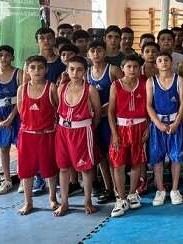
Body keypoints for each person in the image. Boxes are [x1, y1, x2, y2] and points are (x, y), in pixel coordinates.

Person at [54, 56, 101, 216]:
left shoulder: (90, 90)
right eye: (72, 69)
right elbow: (58, 109)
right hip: (63, 131)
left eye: (79, 69)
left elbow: (97, 114)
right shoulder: (61, 88)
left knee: (85, 169)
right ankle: (64, 203)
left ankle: (87, 201)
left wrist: (87, 127)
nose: (75, 73)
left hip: (82, 131)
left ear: (85, 71)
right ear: (67, 70)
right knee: (63, 167)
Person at [17, 56, 59, 215]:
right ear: (27, 70)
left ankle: (52, 198)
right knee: (26, 170)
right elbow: (21, 111)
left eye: (40, 67)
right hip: (27, 136)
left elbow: (58, 109)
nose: (37, 71)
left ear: (46, 69)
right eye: (32, 67)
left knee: (50, 168)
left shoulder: (51, 87)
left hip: (47, 135)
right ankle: (28, 202)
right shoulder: (22, 89)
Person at [108, 55, 147, 218]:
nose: (132, 70)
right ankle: (121, 198)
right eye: (128, 66)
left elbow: (150, 107)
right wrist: (114, 133)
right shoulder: (116, 85)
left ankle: (132, 194)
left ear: (139, 69)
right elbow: (110, 111)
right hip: (121, 128)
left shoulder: (144, 84)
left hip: (140, 126)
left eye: (135, 67)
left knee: (136, 162)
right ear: (122, 68)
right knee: (118, 164)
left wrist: (148, 127)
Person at [146, 52, 183, 206]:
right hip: (158, 125)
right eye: (160, 60)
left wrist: (176, 122)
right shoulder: (151, 81)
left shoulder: (179, 80)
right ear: (156, 64)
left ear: (171, 62)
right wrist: (157, 123)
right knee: (157, 158)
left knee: (176, 157)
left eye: (166, 60)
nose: (163, 63)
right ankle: (160, 190)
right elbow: (149, 105)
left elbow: (182, 103)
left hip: (175, 123)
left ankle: (175, 189)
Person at [87, 40, 120, 204]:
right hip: (95, 119)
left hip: (110, 119)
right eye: (92, 51)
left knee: (112, 155)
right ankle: (108, 188)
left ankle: (117, 189)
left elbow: (124, 90)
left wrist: (110, 106)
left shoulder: (113, 70)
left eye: (99, 50)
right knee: (100, 156)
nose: (96, 54)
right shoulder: (86, 73)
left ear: (105, 52)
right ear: (88, 54)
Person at [0, 45, 22, 195]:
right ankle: (7, 180)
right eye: (0, 55)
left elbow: (21, 98)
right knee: (3, 147)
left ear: (12, 57)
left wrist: (11, 117)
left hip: (16, 112)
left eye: (7, 55)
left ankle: (24, 178)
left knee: (21, 146)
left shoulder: (19, 73)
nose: (4, 58)